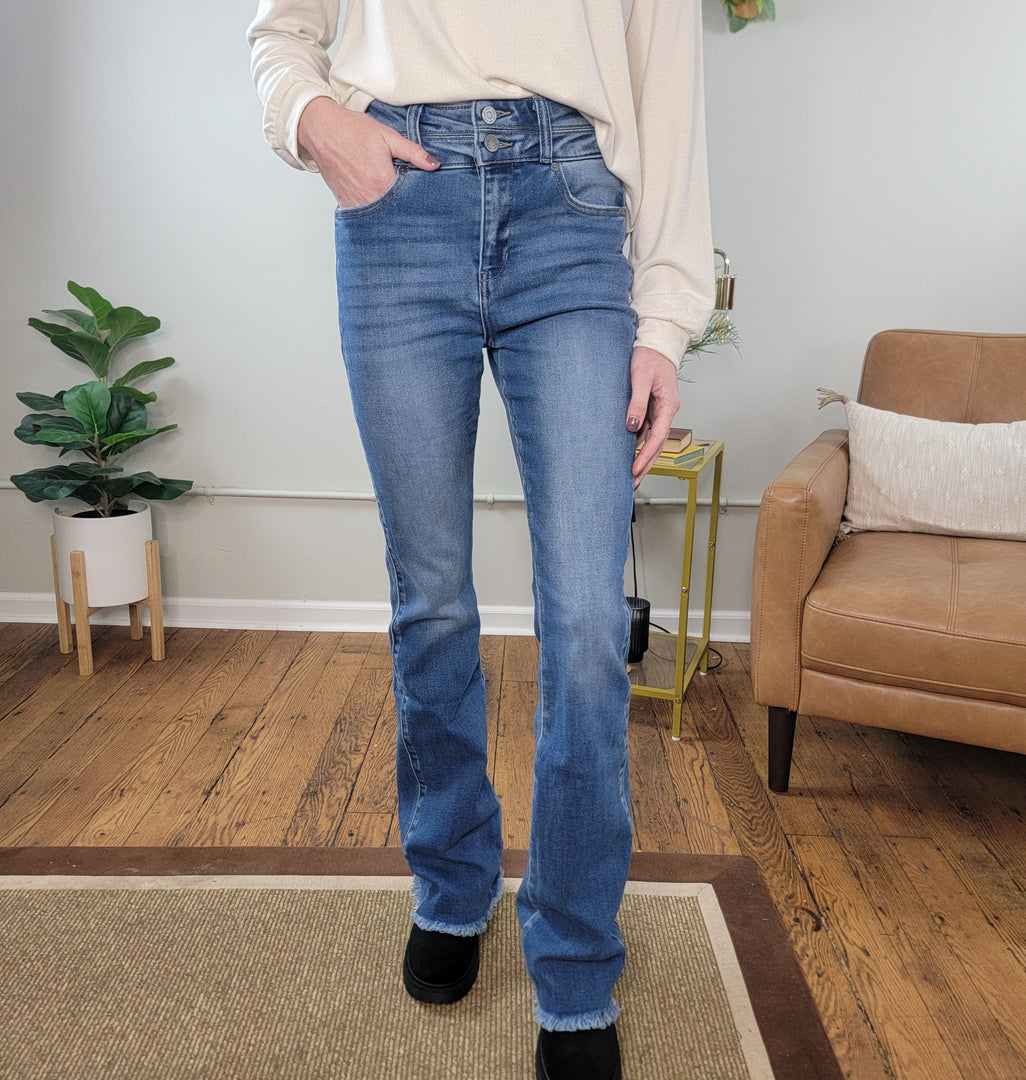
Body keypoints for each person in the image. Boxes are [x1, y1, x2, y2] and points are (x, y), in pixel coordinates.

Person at [248, 4, 713, 1077]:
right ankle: (453, 886)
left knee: (593, 619)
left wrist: (666, 321)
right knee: (432, 595)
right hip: (400, 204)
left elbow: (673, 90)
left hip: (575, 208)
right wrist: (313, 115)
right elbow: (280, 28)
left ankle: (577, 958)